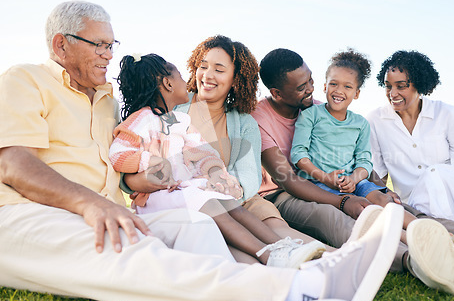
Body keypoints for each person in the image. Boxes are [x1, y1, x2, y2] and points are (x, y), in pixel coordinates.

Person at [0, 1, 404, 301]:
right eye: (99, 45)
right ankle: (296, 289)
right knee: (137, 252)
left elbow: (147, 166)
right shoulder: (26, 79)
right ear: (61, 45)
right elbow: (14, 165)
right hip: (30, 212)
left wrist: (193, 175)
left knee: (198, 227)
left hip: (148, 205)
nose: (108, 54)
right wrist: (98, 201)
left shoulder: (107, 100)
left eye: (111, 44)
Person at [251, 48, 454, 296]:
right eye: (302, 86)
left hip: (339, 184)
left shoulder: (319, 107)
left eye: (312, 80)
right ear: (277, 93)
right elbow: (289, 180)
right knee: (335, 218)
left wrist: (378, 189)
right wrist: (344, 200)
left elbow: (356, 156)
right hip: (286, 194)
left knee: (396, 208)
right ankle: (413, 258)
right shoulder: (261, 119)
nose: (311, 89)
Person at [123, 35, 338, 261]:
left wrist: (220, 187)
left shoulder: (245, 123)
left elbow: (249, 178)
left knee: (277, 231)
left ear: (236, 79)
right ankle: (280, 266)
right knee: (242, 251)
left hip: (240, 200)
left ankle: (335, 259)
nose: (207, 75)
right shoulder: (169, 106)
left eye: (219, 69)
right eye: (203, 66)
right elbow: (132, 163)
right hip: (186, 199)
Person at [289, 49, 454, 246]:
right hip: (319, 183)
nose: (339, 91)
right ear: (324, 86)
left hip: (353, 182)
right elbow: (298, 155)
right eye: (333, 84)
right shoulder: (310, 115)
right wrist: (325, 177)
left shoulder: (360, 124)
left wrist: (354, 179)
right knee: (366, 209)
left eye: (347, 86)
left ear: (356, 93)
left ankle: (435, 234)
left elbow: (365, 162)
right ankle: (415, 242)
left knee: (383, 200)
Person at [367, 50, 454, 229]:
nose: (393, 93)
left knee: (435, 173)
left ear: (419, 85)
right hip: (418, 205)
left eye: (401, 86)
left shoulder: (445, 113)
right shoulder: (375, 120)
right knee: (432, 178)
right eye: (388, 86)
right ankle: (451, 232)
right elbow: (379, 175)